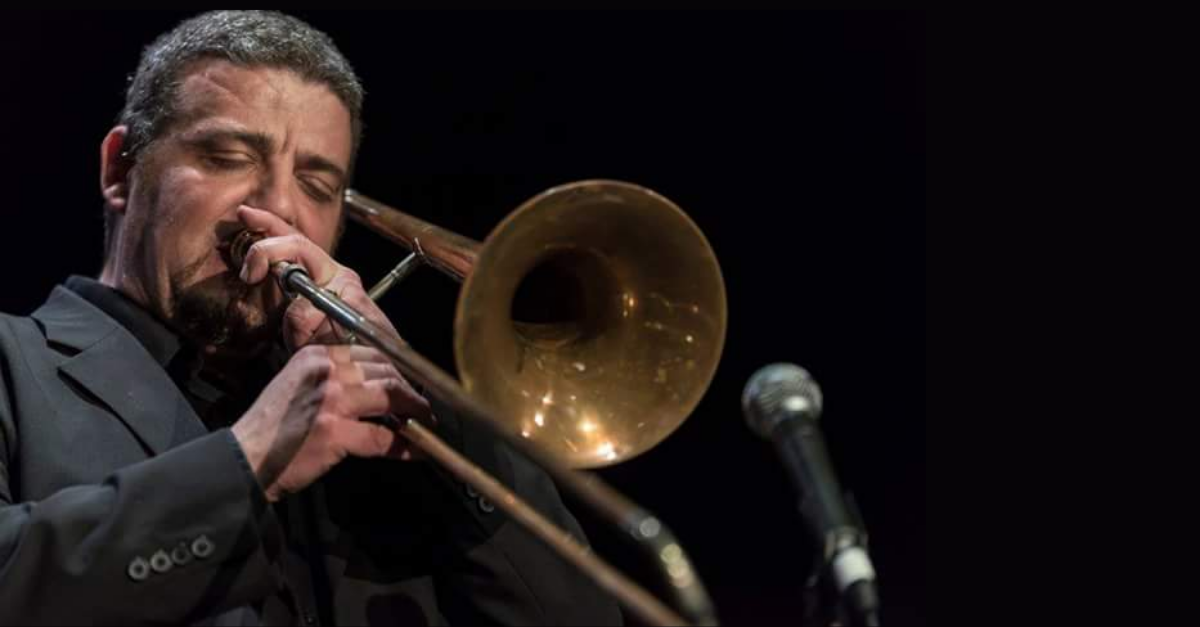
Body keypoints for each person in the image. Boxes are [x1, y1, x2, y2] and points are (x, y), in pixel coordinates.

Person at [0, 11, 622, 626]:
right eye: (228, 156)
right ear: (120, 170)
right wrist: (247, 464)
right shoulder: (13, 363)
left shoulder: (388, 441)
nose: (279, 205)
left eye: (318, 186)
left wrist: (438, 421)